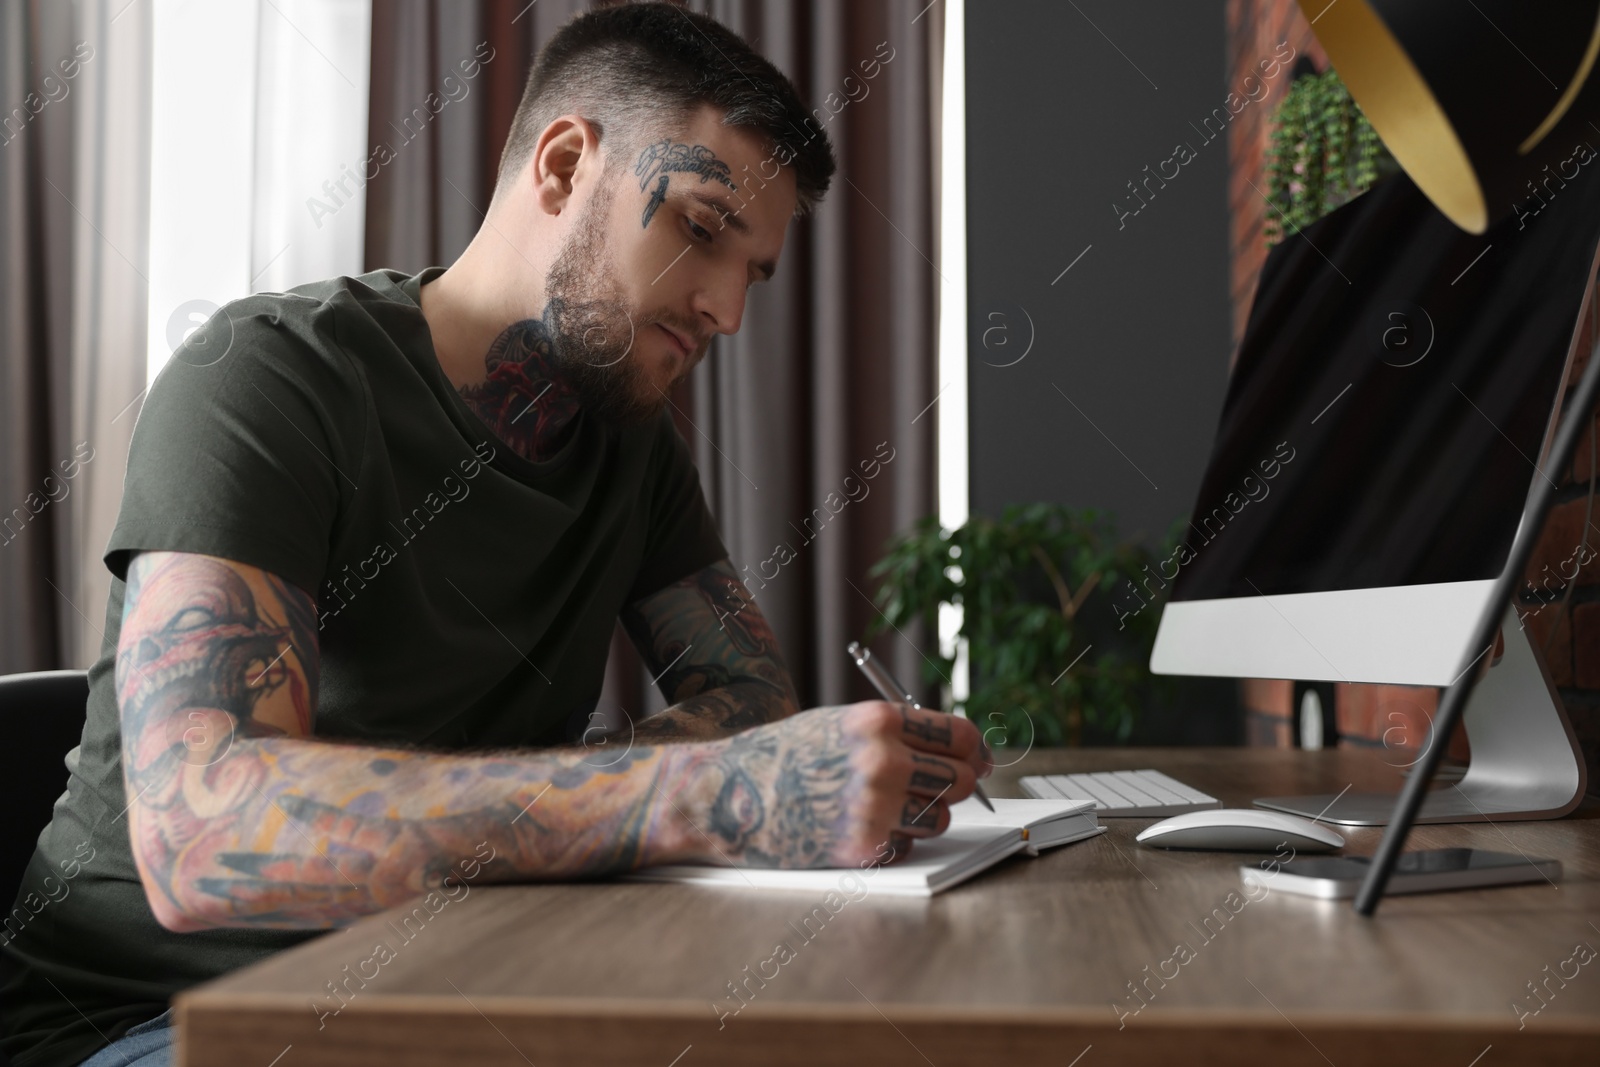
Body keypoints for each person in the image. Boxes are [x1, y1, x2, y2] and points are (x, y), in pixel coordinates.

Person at [0, 5, 989, 1066]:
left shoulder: (630, 444)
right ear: (564, 167)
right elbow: (202, 836)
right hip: (153, 1022)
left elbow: (748, 700)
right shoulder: (268, 378)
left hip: (452, 978)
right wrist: (697, 791)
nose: (725, 313)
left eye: (752, 270)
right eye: (701, 230)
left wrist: (750, 774)